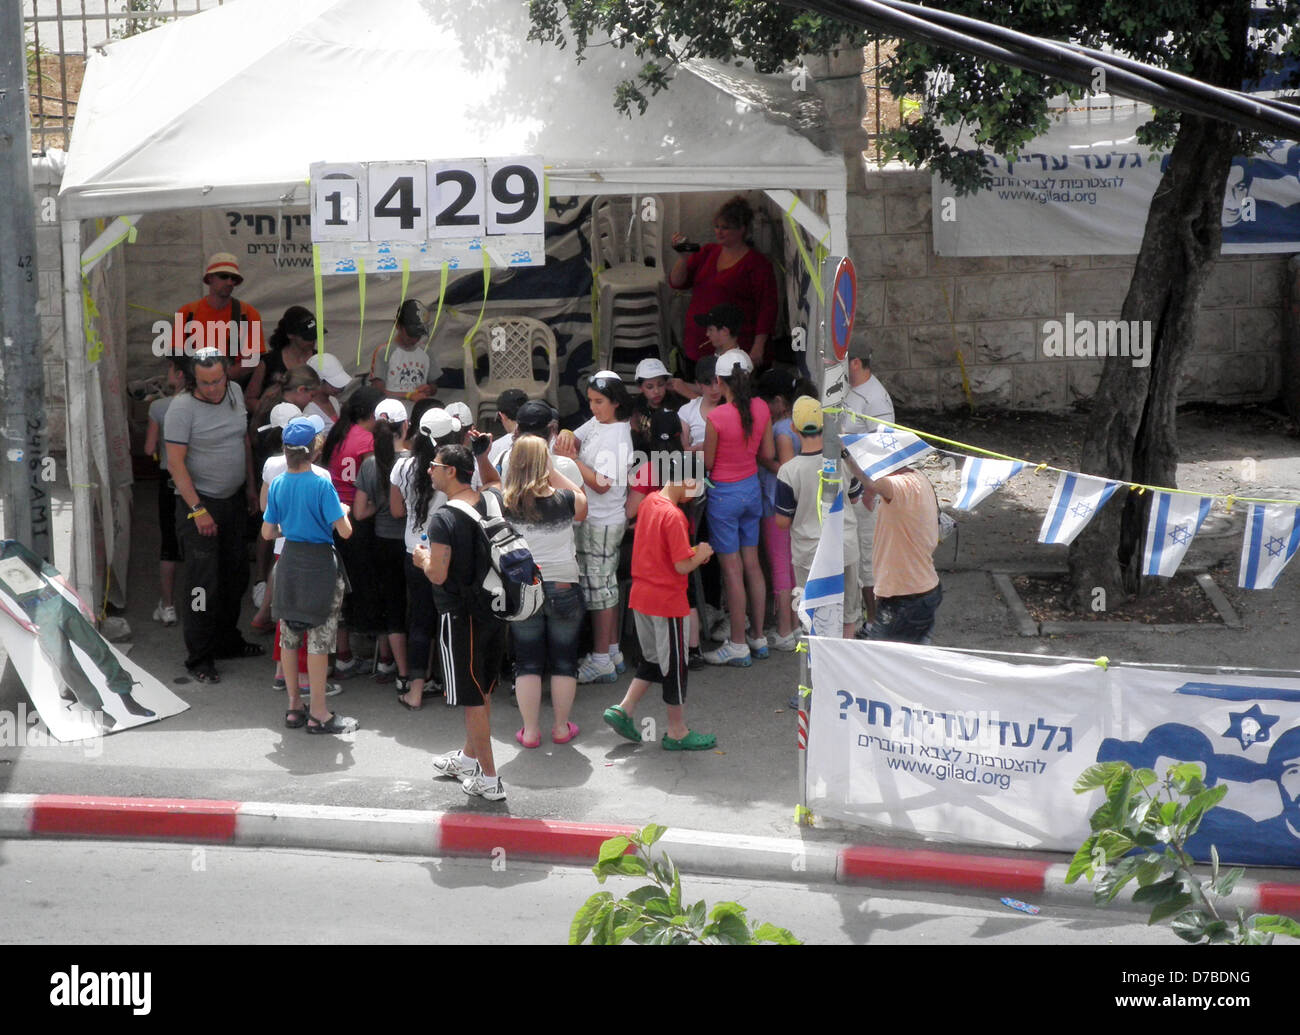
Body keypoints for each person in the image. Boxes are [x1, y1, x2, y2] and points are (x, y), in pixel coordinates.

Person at [164, 347, 264, 684]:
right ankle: (200, 657)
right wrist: (197, 510)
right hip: (199, 503)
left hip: (234, 500)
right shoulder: (181, 409)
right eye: (205, 383)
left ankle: (226, 641)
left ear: (227, 374)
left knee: (235, 575)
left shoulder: (234, 392)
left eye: (218, 380)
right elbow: (176, 463)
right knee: (201, 585)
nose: (213, 389)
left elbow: (243, 444)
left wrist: (250, 486)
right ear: (194, 380)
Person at [602, 453, 716, 750]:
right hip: (667, 602)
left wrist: (690, 553)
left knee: (653, 660)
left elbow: (662, 551)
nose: (698, 491)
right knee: (675, 667)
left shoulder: (650, 502)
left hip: (642, 598)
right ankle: (677, 731)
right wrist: (701, 554)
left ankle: (624, 708)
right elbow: (680, 566)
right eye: (697, 484)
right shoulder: (675, 515)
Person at [421, 445, 510, 801]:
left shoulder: (442, 519)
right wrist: (484, 455)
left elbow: (438, 575)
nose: (429, 471)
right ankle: (468, 759)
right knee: (484, 688)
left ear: (451, 472)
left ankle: (489, 780)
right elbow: (495, 481)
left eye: (435, 466)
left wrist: (421, 558)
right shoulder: (491, 500)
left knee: (472, 697)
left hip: (460, 616)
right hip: (493, 608)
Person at [262, 415, 358, 735]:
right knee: (319, 639)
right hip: (319, 565)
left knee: (289, 636)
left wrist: (288, 524)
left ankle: (294, 707)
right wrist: (343, 512)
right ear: (315, 451)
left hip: (289, 562)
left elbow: (266, 532)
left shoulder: (277, 484)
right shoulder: (321, 484)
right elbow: (344, 532)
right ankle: (319, 712)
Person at [500, 435, 589, 747]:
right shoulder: (564, 500)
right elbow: (582, 503)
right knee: (565, 662)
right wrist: (552, 470)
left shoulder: (505, 502)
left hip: (524, 587)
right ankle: (562, 727)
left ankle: (531, 731)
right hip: (564, 584)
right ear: (545, 462)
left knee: (528, 663)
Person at [554, 371, 634, 684]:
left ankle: (602, 658)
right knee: (604, 588)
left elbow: (602, 484)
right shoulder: (600, 423)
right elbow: (572, 436)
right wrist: (563, 433)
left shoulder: (618, 435)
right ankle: (611, 652)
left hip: (602, 520)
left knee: (600, 591)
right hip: (596, 519)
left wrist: (572, 462)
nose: (594, 407)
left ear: (616, 401)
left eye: (599, 401)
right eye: (590, 401)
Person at [701, 349, 774, 666]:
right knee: (753, 565)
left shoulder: (715, 418)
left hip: (724, 496)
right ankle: (758, 636)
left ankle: (738, 643)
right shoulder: (762, 409)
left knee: (732, 571)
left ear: (719, 381)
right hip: (751, 490)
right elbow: (766, 452)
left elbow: (708, 462)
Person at [775, 398, 863, 641]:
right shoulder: (842, 460)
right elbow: (855, 498)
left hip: (810, 553)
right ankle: (846, 668)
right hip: (845, 546)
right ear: (824, 425)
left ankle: (823, 672)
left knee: (816, 619)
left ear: (794, 428)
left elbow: (782, 521)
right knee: (848, 616)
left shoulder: (788, 471)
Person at [388, 402, 455, 710]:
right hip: (448, 554)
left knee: (419, 621)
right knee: (450, 621)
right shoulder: (455, 468)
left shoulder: (402, 466)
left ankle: (415, 690)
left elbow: (397, 510)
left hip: (413, 550)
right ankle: (451, 686)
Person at [840, 447, 942, 644]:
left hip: (905, 596)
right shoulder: (918, 477)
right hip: (925, 588)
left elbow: (870, 482)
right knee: (915, 657)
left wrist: (845, 454)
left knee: (882, 658)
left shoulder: (898, 485)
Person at [669, 195, 777, 373]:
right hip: (699, 342)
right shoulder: (708, 251)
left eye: (725, 228)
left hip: (736, 346)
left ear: (742, 229)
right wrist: (683, 258)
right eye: (717, 227)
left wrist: (759, 346)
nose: (719, 232)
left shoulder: (757, 264)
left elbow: (767, 308)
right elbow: (676, 282)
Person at [320, 385, 385, 678]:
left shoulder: (337, 432)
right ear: (373, 414)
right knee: (368, 585)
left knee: (341, 588)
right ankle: (383, 657)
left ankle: (343, 654)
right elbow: (375, 482)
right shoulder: (368, 441)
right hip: (358, 520)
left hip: (334, 517)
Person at [353, 398, 412, 691]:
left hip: (382, 541)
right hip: (414, 543)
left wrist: (380, 505)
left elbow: (359, 512)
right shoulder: (416, 462)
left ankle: (399, 671)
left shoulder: (370, 465)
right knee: (418, 605)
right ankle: (421, 670)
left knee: (393, 607)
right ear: (407, 426)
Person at [757, 369, 815, 651]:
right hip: (795, 506)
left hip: (776, 504)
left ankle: (784, 629)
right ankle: (793, 624)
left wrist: (765, 461)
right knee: (790, 566)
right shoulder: (798, 424)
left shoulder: (781, 430)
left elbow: (787, 470)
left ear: (779, 402)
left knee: (780, 566)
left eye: (767, 402)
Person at [840, 342, 896, 627]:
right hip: (850, 487)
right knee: (856, 557)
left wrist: (871, 488)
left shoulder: (876, 399)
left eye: (844, 361)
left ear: (856, 363)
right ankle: (863, 617)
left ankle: (874, 621)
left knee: (868, 560)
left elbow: (884, 448)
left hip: (866, 491)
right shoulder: (848, 389)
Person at [173, 253, 263, 390]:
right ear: (210, 278)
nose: (229, 282)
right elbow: (176, 355)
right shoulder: (187, 312)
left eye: (233, 278)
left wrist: (218, 378)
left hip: (232, 386)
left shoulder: (248, 314)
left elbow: (252, 361)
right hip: (194, 385)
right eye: (223, 276)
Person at [143, 358, 185, 628]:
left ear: (179, 374)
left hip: (169, 478)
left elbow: (148, 449)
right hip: (197, 477)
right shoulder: (203, 403)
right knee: (196, 542)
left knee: (169, 542)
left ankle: (168, 606)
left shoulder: (158, 407)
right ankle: (201, 602)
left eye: (170, 369)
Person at [245, 306, 322, 415]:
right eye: (307, 337)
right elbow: (249, 399)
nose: (312, 341)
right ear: (290, 335)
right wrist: (272, 415)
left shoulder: (320, 359)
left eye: (315, 336)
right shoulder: (270, 361)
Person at [370, 300, 441, 417]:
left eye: (418, 335)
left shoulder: (426, 352)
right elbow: (377, 392)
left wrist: (429, 389)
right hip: (390, 417)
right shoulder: (384, 352)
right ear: (398, 325)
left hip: (418, 415)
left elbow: (434, 387)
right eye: (410, 335)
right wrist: (408, 395)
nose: (414, 339)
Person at [630, 357, 688, 453]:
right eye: (650, 387)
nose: (656, 391)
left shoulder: (677, 405)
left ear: (666, 384)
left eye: (660, 385)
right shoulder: (635, 407)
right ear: (640, 387)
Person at [305, 352, 353, 430]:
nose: (340, 388)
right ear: (318, 381)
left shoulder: (333, 400)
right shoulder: (309, 412)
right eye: (333, 384)